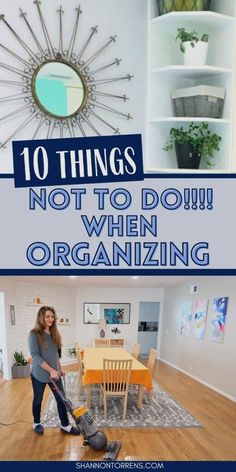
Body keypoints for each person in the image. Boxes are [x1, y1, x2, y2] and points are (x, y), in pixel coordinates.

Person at [28, 305, 80, 436]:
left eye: (52, 316)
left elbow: (55, 355)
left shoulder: (54, 333)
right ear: (41, 317)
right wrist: (51, 370)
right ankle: (36, 423)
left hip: (54, 374)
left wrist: (59, 369)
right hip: (39, 374)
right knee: (38, 399)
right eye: (47, 316)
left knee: (62, 399)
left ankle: (65, 425)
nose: (50, 319)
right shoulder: (34, 334)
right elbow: (36, 356)